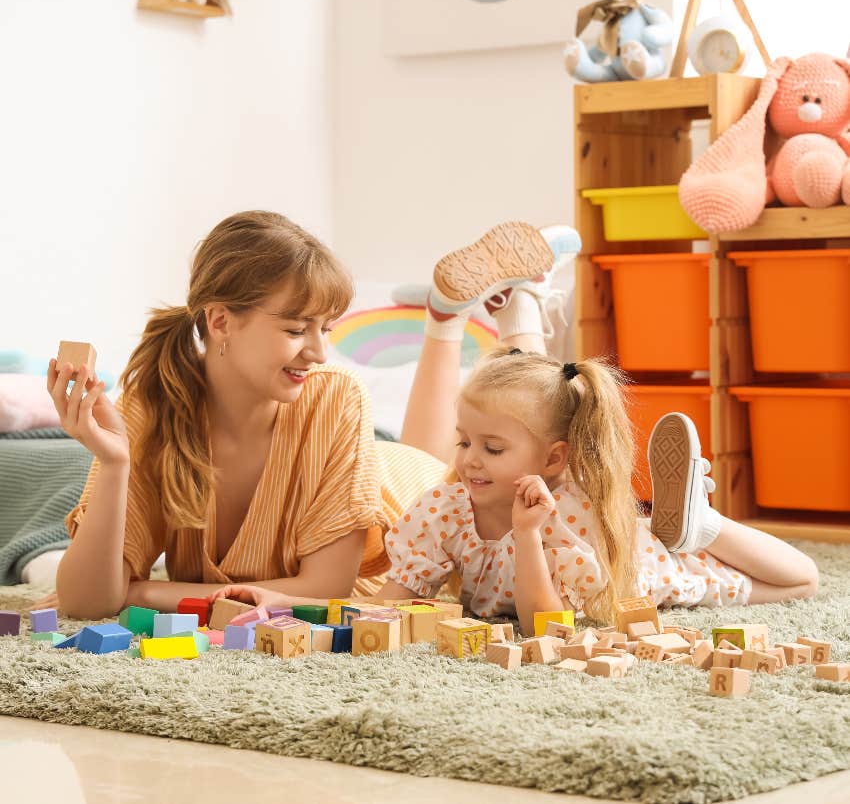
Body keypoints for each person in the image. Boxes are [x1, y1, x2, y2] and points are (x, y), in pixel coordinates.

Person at [213, 222, 819, 637]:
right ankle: (522, 304)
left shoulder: (568, 515)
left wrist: (528, 537)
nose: (469, 460)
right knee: (525, 406)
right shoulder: (446, 507)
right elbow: (383, 605)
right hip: (567, 501)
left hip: (638, 574)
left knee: (799, 583)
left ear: (555, 460)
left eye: (491, 448)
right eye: (464, 441)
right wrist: (288, 604)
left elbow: (542, 627)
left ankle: (702, 524)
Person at [46, 211, 449, 619]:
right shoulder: (151, 402)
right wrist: (115, 464)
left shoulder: (339, 395)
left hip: (410, 484)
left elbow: (325, 589)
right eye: (296, 330)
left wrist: (144, 592)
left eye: (325, 329)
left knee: (476, 456)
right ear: (220, 322)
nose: (319, 352)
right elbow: (87, 604)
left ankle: (452, 319)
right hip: (371, 465)